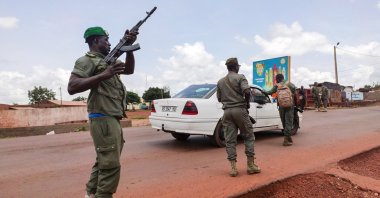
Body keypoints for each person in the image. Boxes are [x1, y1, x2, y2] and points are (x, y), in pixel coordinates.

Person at [67, 26, 138, 198]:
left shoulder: (110, 60)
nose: (109, 43)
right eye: (105, 40)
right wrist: (103, 75)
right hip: (102, 117)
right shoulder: (86, 60)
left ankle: (91, 193)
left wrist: (129, 48)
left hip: (111, 117)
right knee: (111, 164)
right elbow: (72, 87)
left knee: (104, 160)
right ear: (95, 41)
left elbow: (129, 70)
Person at [216, 57, 261, 177]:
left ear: (227, 67)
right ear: (236, 67)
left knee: (230, 140)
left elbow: (219, 98)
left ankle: (233, 168)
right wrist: (246, 103)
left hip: (227, 112)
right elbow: (247, 91)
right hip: (240, 110)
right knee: (248, 136)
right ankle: (251, 166)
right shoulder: (240, 77)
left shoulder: (220, 81)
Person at [264, 74, 297, 146]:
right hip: (289, 105)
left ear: (277, 79)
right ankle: (287, 139)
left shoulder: (277, 85)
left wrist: (263, 91)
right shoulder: (289, 84)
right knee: (289, 122)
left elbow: (269, 92)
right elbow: (294, 92)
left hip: (281, 106)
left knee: (284, 122)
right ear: (283, 78)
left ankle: (287, 138)